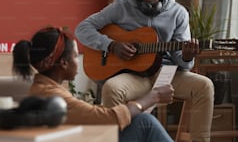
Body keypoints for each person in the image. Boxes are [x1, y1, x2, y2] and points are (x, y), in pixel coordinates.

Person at [75, 0, 214, 142]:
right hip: (133, 76)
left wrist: (187, 57)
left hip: (167, 74)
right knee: (111, 88)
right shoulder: (120, 7)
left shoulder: (178, 13)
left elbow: (182, 61)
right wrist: (112, 45)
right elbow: (82, 29)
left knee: (204, 86)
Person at [12, 26, 174, 142]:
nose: (78, 61)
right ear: (63, 63)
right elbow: (108, 119)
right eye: (76, 56)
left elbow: (90, 115)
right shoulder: (52, 96)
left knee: (141, 121)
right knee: (145, 123)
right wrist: (154, 96)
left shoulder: (44, 89)